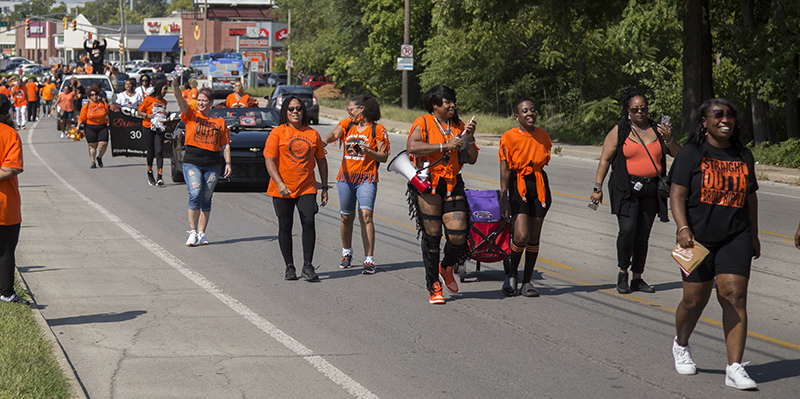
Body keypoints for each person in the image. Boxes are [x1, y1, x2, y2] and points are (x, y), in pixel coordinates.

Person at [668, 98, 760, 390]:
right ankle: (681, 344)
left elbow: (751, 197)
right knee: (694, 300)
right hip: (696, 238)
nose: (725, 120)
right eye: (718, 115)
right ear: (704, 122)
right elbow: (677, 194)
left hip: (736, 235)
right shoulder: (691, 154)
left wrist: (754, 234)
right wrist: (682, 227)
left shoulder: (743, 155)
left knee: (734, 295)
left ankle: (734, 367)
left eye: (730, 115)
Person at [589, 87, 681, 294]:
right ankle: (623, 271)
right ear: (628, 111)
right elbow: (605, 160)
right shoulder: (620, 131)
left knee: (643, 235)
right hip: (625, 189)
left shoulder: (659, 130)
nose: (639, 112)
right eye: (635, 109)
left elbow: (679, 154)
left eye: (643, 109)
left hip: (652, 189)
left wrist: (668, 139)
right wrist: (597, 188)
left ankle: (638, 277)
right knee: (627, 230)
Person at [406, 85, 478, 304]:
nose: (452, 105)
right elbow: (412, 147)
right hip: (428, 182)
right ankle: (433, 286)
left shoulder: (458, 126)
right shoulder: (423, 122)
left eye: (452, 101)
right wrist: (444, 145)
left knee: (459, 235)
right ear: (434, 105)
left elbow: (472, 158)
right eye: (446, 102)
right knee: (433, 235)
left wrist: (471, 138)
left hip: (452, 182)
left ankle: (446, 267)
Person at [322, 96, 390, 274]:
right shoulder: (347, 124)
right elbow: (334, 134)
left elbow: (383, 157)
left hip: (367, 178)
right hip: (345, 178)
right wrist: (323, 141)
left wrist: (368, 151)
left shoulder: (377, 129)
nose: (348, 112)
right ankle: (347, 252)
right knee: (346, 217)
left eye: (350, 108)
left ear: (362, 109)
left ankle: (369, 259)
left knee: (366, 216)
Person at [264, 96, 328, 282]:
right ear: (285, 111)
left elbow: (321, 161)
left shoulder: (312, 133)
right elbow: (269, 161)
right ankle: (289, 266)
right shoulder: (277, 133)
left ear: (303, 111)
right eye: (291, 108)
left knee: (308, 222)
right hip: (282, 189)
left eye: (298, 108)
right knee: (285, 226)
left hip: (306, 187)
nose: (295, 112)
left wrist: (324, 187)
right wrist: (280, 183)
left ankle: (308, 265)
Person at [498, 98, 551, 297]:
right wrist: (504, 198)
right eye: (525, 111)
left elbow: (544, 160)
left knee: (534, 236)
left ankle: (527, 281)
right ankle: (512, 274)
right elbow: (504, 169)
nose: (530, 113)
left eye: (532, 110)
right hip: (517, 184)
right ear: (517, 116)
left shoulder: (543, 135)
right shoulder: (509, 137)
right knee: (520, 235)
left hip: (539, 185)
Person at [171, 76, 231, 246]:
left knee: (206, 196)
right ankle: (192, 232)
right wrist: (175, 85)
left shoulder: (219, 121)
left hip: (212, 164)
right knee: (195, 193)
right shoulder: (190, 114)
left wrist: (228, 163)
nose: (201, 103)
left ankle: (202, 233)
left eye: (204, 101)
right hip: (193, 161)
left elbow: (225, 144)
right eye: (199, 100)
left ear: (211, 102)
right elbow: (179, 99)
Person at [0, 94, 28, 306]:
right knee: (6, 250)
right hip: (4, 204)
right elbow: (12, 168)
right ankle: (6, 293)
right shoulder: (9, 134)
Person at [137, 81, 169, 186]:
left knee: (159, 151)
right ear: (159, 89)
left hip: (159, 128)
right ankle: (150, 172)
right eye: (165, 89)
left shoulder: (164, 102)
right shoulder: (148, 99)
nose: (166, 91)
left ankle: (160, 176)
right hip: (148, 127)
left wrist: (166, 119)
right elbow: (139, 111)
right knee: (150, 151)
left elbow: (162, 114)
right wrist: (147, 115)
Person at [77, 85, 110, 169]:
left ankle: (99, 157)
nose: (94, 96)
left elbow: (109, 114)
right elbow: (81, 117)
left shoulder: (103, 104)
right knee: (92, 146)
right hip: (90, 127)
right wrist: (77, 127)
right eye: (92, 95)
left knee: (103, 145)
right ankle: (93, 162)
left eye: (95, 94)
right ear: (89, 96)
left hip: (102, 126)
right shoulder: (86, 106)